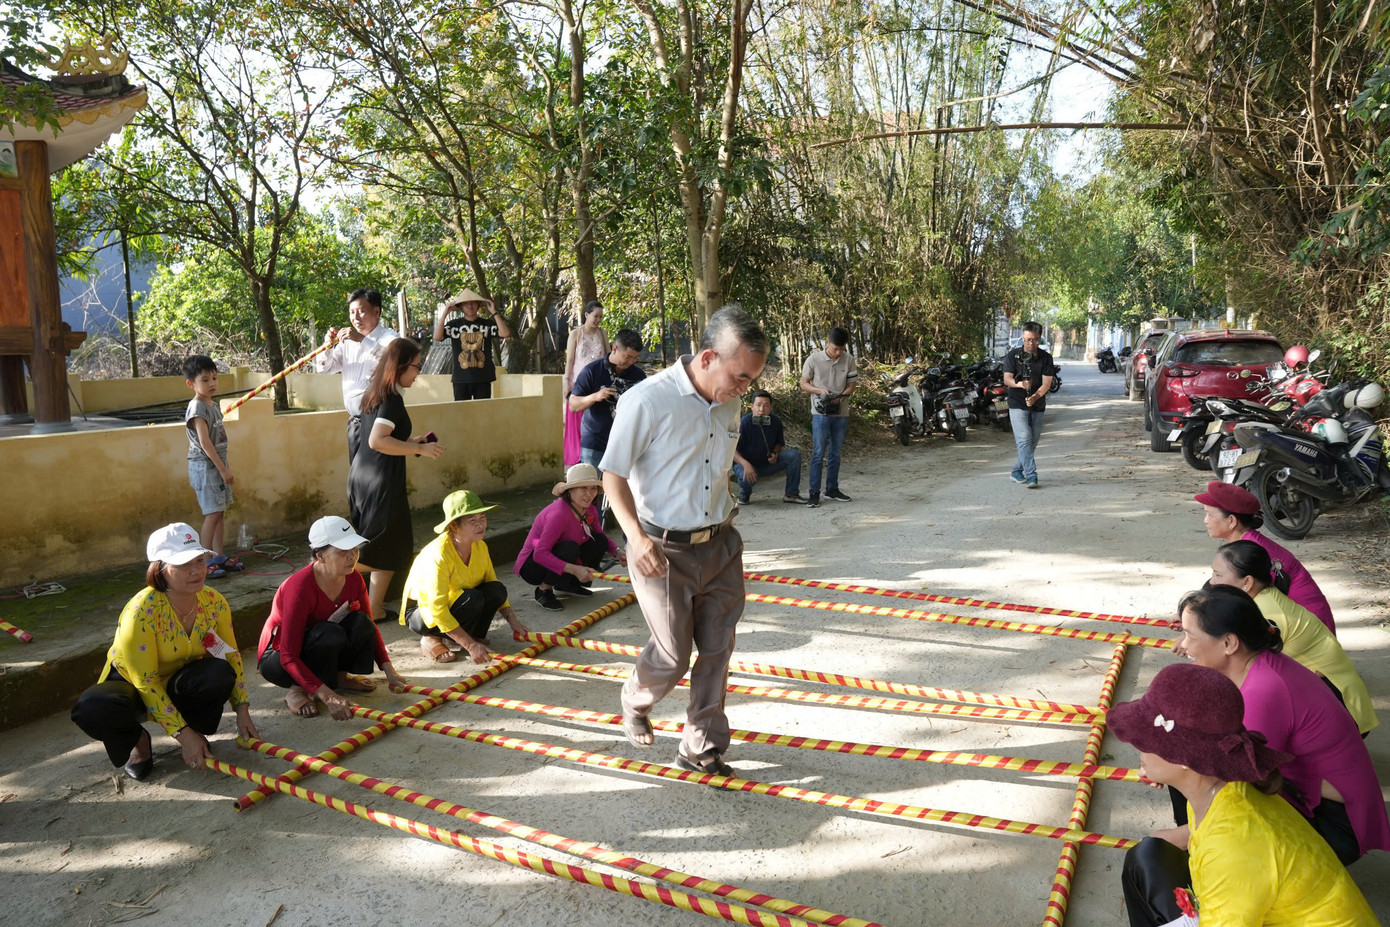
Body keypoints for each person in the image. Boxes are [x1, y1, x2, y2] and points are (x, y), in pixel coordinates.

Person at [603, 304, 768, 777]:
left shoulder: (729, 399)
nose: (745, 390)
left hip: (719, 544)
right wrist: (635, 538)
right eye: (740, 377)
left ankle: (701, 746)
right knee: (673, 654)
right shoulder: (648, 400)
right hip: (661, 549)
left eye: (751, 381)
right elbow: (611, 474)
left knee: (717, 649)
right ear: (710, 357)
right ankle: (635, 698)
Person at [1113, 661, 1379, 927]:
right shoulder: (1222, 788)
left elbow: (1233, 854)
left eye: (1145, 740)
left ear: (1184, 759)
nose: (1138, 749)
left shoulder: (1233, 845)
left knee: (1148, 860)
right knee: (1147, 856)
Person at [1171, 586, 1389, 865]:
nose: (1184, 645)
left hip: (1334, 824)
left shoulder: (1264, 691)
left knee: (1189, 775)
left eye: (1190, 635)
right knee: (1183, 760)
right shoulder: (1254, 665)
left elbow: (1236, 782)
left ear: (1229, 643)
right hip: (1311, 793)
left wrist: (1188, 834)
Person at [70, 524, 258, 780]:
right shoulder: (141, 612)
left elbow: (230, 654)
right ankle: (139, 742)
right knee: (93, 708)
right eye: (182, 564)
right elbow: (145, 682)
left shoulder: (214, 602)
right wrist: (182, 736)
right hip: (135, 685)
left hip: (180, 679)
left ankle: (193, 729)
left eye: (200, 560)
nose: (196, 571)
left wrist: (242, 710)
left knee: (219, 673)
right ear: (159, 569)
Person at [1208, 540, 1376, 735]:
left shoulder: (1267, 613)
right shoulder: (1261, 598)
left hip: (1340, 705)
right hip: (1323, 696)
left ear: (1247, 582)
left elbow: (1237, 661)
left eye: (1218, 574)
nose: (1212, 581)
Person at [257, 516, 407, 720]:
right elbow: (288, 655)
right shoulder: (299, 587)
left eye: (355, 549)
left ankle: (339, 677)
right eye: (343, 552)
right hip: (279, 659)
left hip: (318, 642)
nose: (352, 556)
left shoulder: (353, 578)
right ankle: (296, 691)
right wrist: (328, 697)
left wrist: (389, 669)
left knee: (361, 622)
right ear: (320, 556)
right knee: (329, 633)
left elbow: (369, 625)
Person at [348, 338, 447, 620]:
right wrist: (418, 448)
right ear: (401, 366)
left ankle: (375, 609)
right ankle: (325, 570)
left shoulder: (376, 393)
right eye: (416, 366)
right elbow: (378, 440)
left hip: (365, 477)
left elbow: (383, 439)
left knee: (391, 546)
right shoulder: (391, 400)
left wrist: (413, 442)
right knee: (382, 547)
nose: (418, 373)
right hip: (381, 483)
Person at [401, 490, 530, 664]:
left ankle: (466, 636)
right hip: (422, 611)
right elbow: (436, 608)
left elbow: (492, 583)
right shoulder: (438, 555)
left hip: (458, 599)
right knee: (472, 598)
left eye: (482, 518)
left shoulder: (480, 546)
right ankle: (431, 637)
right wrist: (470, 646)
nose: (481, 525)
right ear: (454, 526)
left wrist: (512, 620)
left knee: (496, 590)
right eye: (473, 521)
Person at [1194, 480, 1335, 633]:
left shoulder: (1249, 551)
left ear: (1231, 521)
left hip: (1308, 629)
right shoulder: (1246, 544)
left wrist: (1197, 620)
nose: (1205, 520)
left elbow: (1232, 600)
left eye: (1209, 515)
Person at [516, 463, 627, 610]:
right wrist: (575, 570)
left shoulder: (590, 509)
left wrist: (618, 552)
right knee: (569, 548)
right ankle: (544, 589)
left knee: (599, 540)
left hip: (558, 554)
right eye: (583, 488)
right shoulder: (559, 514)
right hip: (532, 566)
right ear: (570, 491)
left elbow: (600, 535)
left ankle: (567, 585)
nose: (589, 494)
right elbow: (539, 554)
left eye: (593, 488)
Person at [317, 288, 400, 463]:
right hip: (355, 423)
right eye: (351, 312)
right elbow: (325, 369)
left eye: (361, 311)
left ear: (376, 312)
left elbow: (394, 360)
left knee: (377, 476)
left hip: (380, 423)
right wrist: (327, 347)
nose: (355, 318)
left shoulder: (390, 338)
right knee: (357, 475)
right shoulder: (347, 342)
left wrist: (362, 340)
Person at [182, 355, 241, 578]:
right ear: (191, 384)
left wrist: (224, 467)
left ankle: (218, 556)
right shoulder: (197, 407)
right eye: (205, 380)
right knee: (212, 513)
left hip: (217, 465)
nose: (212, 383)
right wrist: (223, 469)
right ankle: (204, 561)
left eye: (214, 378)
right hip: (206, 467)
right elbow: (205, 442)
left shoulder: (211, 404)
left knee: (219, 512)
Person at [569, 328, 646, 471]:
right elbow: (573, 405)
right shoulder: (592, 370)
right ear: (615, 349)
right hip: (595, 443)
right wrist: (595, 396)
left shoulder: (639, 375)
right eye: (628, 356)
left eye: (635, 358)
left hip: (626, 443)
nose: (631, 362)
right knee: (592, 491)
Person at [799, 326, 858, 508]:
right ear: (827, 343)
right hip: (820, 413)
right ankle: (814, 493)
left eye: (842, 349)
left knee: (835, 453)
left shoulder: (849, 360)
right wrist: (820, 391)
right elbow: (803, 383)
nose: (838, 352)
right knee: (818, 453)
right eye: (835, 348)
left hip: (841, 412)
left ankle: (832, 489)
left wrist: (841, 397)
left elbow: (852, 385)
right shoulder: (813, 359)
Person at [1002, 321, 1057, 489]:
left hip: (1037, 404)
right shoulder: (1013, 356)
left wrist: (1035, 396)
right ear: (1022, 338)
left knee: (1032, 441)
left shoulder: (1046, 358)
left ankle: (1016, 471)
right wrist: (1019, 385)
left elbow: (1047, 383)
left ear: (1039, 339)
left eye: (1034, 340)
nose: (1030, 344)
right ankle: (1032, 475)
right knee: (1024, 438)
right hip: (1017, 402)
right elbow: (1007, 379)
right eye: (1027, 340)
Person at [433, 287, 513, 401]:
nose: (470, 306)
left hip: (483, 378)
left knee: (483, 412)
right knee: (461, 413)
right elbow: (437, 337)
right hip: (460, 379)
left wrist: (494, 312)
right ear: (461, 307)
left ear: (478, 305)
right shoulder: (454, 325)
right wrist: (445, 313)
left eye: (473, 303)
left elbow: (505, 333)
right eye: (466, 304)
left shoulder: (487, 324)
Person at [732, 389, 804, 504]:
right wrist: (746, 464)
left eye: (766, 405)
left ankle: (791, 493)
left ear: (771, 407)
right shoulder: (744, 422)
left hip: (767, 464)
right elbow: (731, 450)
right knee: (746, 478)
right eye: (758, 405)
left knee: (794, 455)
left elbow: (779, 443)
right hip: (746, 465)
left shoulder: (776, 421)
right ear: (752, 406)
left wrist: (775, 453)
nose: (762, 409)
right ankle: (744, 494)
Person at [563, 300, 609, 466]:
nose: (598, 320)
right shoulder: (576, 334)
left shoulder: (602, 334)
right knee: (576, 421)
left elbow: (607, 357)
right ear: (587, 314)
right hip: (578, 382)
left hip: (597, 384)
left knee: (594, 421)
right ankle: (576, 457)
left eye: (600, 317)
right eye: (595, 316)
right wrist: (567, 382)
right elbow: (570, 360)